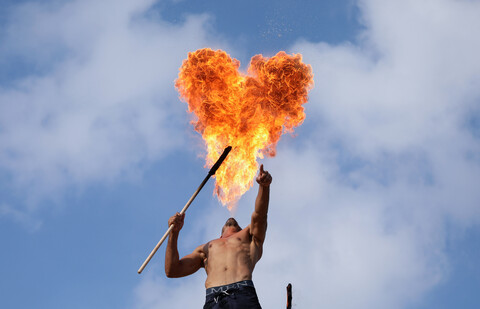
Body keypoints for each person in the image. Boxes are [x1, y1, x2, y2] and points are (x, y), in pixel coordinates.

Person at [165, 164, 272, 309]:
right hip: (213, 299)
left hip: (242, 293)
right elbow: (172, 270)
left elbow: (260, 215)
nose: (231, 220)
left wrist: (264, 188)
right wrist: (174, 233)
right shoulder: (206, 248)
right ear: (220, 232)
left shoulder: (249, 236)